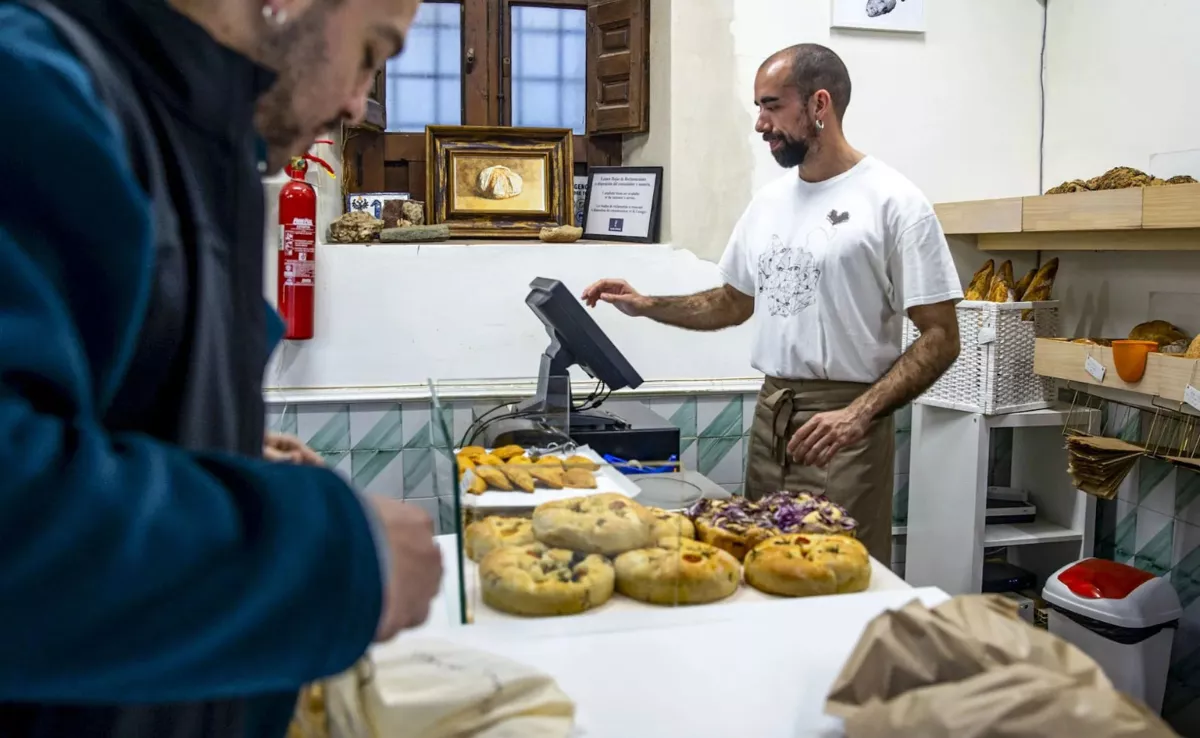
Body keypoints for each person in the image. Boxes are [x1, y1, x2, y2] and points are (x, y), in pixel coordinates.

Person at [0, 1, 439, 737]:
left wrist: (225, 452)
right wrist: (340, 556)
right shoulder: (32, 90)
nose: (356, 103)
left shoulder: (190, 128)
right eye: (369, 51)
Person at [582, 43, 961, 565]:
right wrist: (648, 304)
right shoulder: (769, 204)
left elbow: (941, 336)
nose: (761, 123)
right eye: (758, 109)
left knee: (833, 576)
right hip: (771, 419)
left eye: (772, 105)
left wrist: (856, 415)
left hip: (842, 431)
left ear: (819, 105)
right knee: (762, 563)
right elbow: (732, 303)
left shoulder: (895, 203)